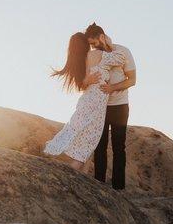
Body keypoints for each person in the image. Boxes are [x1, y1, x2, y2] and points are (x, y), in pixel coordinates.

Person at [43, 32, 125, 173]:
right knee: (90, 138)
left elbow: (81, 85)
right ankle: (69, 176)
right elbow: (121, 59)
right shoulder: (96, 55)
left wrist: (87, 81)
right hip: (95, 104)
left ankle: (83, 177)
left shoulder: (80, 60)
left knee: (85, 137)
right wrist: (108, 44)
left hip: (87, 101)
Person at [84, 23, 136, 190]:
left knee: (118, 147)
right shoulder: (93, 56)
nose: (93, 47)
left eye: (94, 43)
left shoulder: (123, 51)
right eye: (90, 45)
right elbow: (84, 80)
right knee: (100, 146)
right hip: (100, 106)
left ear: (102, 36)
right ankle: (99, 187)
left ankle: (118, 189)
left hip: (120, 106)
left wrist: (112, 88)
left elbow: (132, 80)